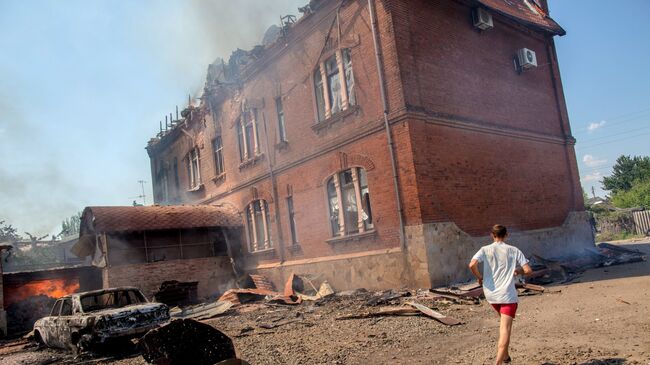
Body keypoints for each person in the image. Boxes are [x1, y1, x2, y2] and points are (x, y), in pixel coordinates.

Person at [468, 225, 532, 365]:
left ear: (492, 235)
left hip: (491, 296)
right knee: (505, 330)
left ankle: (506, 356)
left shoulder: (484, 249)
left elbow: (472, 265)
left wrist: (479, 277)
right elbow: (528, 270)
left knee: (503, 325)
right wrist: (517, 271)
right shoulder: (513, 250)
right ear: (506, 235)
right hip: (507, 296)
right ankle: (498, 362)